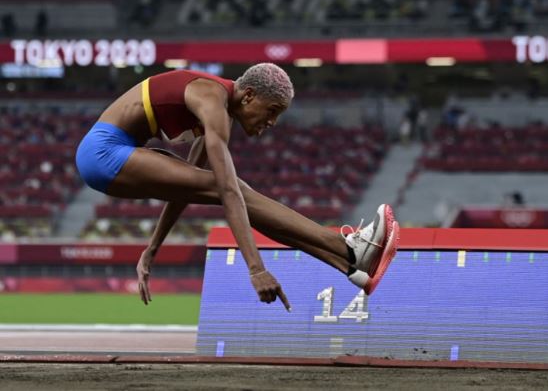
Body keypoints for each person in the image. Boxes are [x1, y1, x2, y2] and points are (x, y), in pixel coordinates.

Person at [75, 63, 399, 311]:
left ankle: (351, 265)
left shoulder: (217, 114)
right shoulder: (210, 98)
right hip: (102, 154)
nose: (272, 123)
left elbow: (184, 190)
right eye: (272, 111)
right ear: (248, 96)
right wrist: (256, 270)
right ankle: (348, 249)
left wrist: (152, 250)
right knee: (235, 188)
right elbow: (227, 191)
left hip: (111, 156)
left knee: (229, 188)